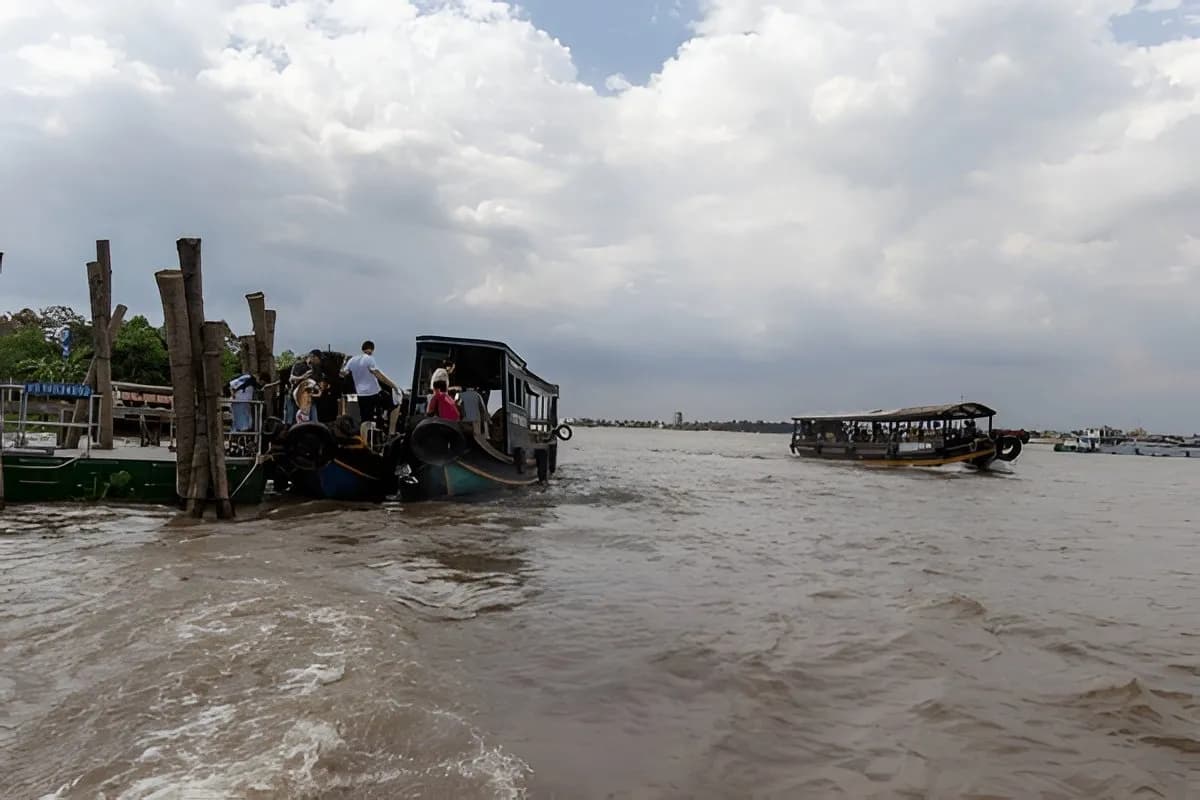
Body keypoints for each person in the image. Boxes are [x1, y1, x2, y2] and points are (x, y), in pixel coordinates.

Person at [341, 340, 399, 427]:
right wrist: (393, 386)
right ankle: (391, 430)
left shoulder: (352, 360)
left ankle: (365, 435)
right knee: (395, 405)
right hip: (374, 393)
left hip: (361, 395)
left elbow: (343, 373)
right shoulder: (369, 359)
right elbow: (378, 375)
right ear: (372, 350)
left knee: (365, 421)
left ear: (362, 349)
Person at [284, 350, 322, 425]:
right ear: (312, 357)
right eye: (318, 358)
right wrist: (302, 377)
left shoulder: (316, 369)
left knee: (314, 423)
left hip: (310, 400)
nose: (319, 361)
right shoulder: (299, 365)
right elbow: (291, 379)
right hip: (297, 400)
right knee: (295, 423)